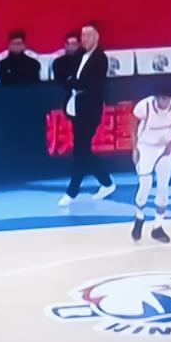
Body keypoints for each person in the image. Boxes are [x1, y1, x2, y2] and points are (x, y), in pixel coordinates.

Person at [60, 23, 114, 206]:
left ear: (96, 37)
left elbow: (93, 84)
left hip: (90, 109)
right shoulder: (80, 55)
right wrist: (73, 82)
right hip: (77, 107)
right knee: (82, 150)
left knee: (80, 150)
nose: (84, 39)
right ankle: (106, 182)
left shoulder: (100, 58)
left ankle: (72, 191)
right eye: (83, 35)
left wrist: (74, 82)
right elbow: (68, 77)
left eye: (88, 35)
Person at [130, 88, 171, 242]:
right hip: (146, 147)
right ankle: (139, 217)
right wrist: (135, 149)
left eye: (166, 99)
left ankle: (158, 227)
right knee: (145, 186)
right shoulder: (144, 106)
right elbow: (133, 128)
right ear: (156, 98)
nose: (163, 102)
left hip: (164, 148)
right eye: (161, 98)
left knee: (163, 187)